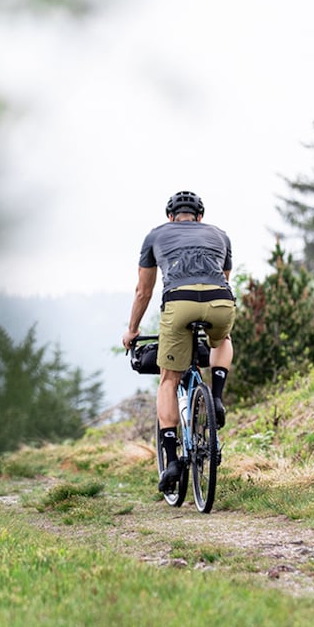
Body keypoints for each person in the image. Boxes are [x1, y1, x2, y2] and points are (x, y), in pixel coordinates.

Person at [122, 190, 236, 494]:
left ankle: (172, 460)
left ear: (170, 217)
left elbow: (143, 292)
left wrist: (132, 330)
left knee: (168, 380)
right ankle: (216, 396)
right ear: (200, 217)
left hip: (178, 303)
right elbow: (223, 276)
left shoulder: (155, 236)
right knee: (222, 339)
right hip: (220, 301)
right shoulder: (220, 235)